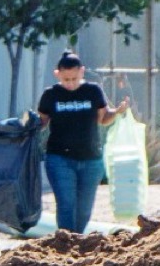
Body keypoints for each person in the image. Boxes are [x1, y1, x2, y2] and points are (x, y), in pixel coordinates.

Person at [37, 49, 131, 233]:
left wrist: (117, 112)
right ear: (58, 75)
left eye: (74, 79)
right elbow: (42, 122)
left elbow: (103, 119)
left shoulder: (93, 91)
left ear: (82, 72)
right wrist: (28, 125)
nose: (70, 84)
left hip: (91, 160)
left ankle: (77, 242)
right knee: (66, 204)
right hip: (59, 159)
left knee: (84, 209)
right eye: (66, 80)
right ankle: (66, 244)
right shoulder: (51, 95)